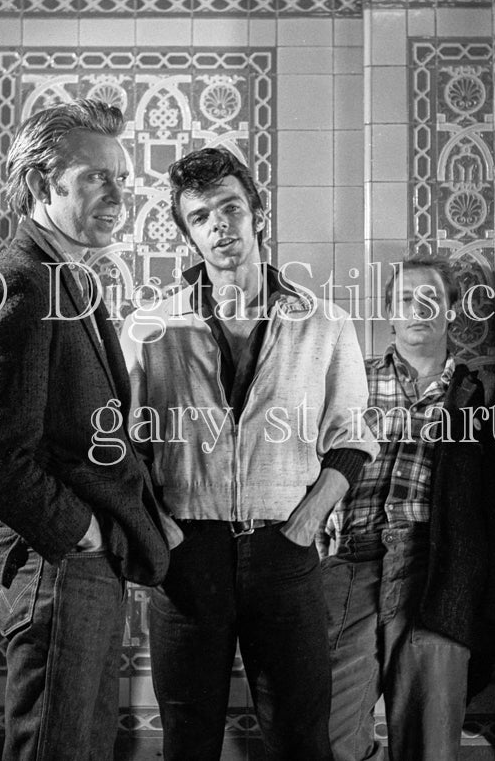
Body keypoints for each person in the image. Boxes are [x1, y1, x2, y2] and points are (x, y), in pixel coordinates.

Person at [120, 145, 378, 761]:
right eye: (202, 217)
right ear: (188, 233)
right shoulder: (150, 327)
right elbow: (124, 447)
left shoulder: (325, 324)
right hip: (188, 555)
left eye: (231, 208)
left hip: (283, 550)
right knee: (188, 740)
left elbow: (353, 436)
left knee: (300, 738)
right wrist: (161, 529)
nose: (219, 227)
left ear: (258, 213)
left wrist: (307, 519)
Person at [0, 99, 169, 761]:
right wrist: (84, 534)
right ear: (46, 184)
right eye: (97, 177)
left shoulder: (67, 281)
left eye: (123, 179)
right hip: (58, 567)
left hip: (81, 568)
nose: (117, 194)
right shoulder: (19, 282)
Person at [321, 255, 495, 761]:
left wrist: (493, 601)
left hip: (437, 571)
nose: (418, 309)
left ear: (452, 310)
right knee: (328, 737)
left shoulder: (485, 395)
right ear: (389, 312)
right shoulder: (350, 382)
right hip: (349, 565)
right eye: (405, 299)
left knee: (429, 747)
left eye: (431, 298)